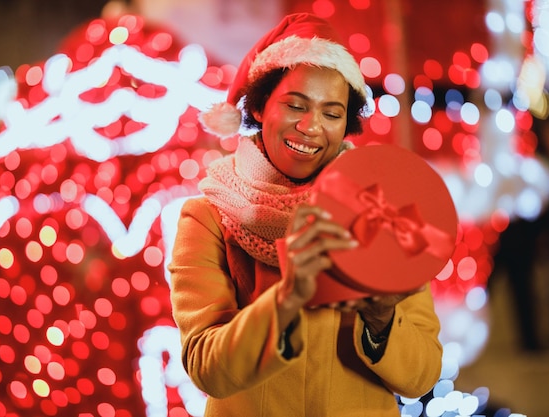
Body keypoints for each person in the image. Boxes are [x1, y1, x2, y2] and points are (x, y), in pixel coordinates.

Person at [169, 12, 443, 416]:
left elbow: (422, 377)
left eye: (331, 114)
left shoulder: (382, 209)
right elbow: (206, 368)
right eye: (296, 105)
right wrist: (285, 300)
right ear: (260, 109)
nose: (311, 127)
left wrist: (382, 320)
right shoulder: (207, 216)